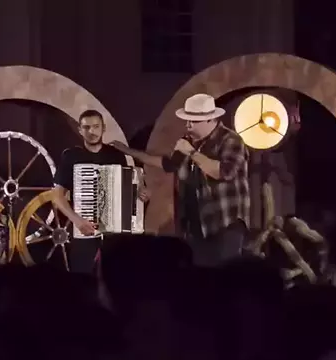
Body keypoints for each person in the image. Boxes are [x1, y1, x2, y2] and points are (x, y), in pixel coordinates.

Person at [110, 93, 250, 267]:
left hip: (223, 222)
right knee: (199, 274)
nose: (188, 125)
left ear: (210, 120)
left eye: (193, 121)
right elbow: (168, 164)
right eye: (187, 120)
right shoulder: (189, 141)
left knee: (224, 273)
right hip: (195, 224)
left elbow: (223, 172)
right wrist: (128, 151)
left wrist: (191, 152)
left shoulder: (230, 140)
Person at [52, 109, 150, 274]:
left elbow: (127, 186)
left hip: (114, 235)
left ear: (103, 128)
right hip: (84, 230)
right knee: (82, 279)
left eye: (96, 126)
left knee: (115, 277)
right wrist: (77, 220)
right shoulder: (71, 156)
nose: (91, 131)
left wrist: (140, 192)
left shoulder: (116, 155)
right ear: (80, 130)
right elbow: (56, 196)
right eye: (86, 127)